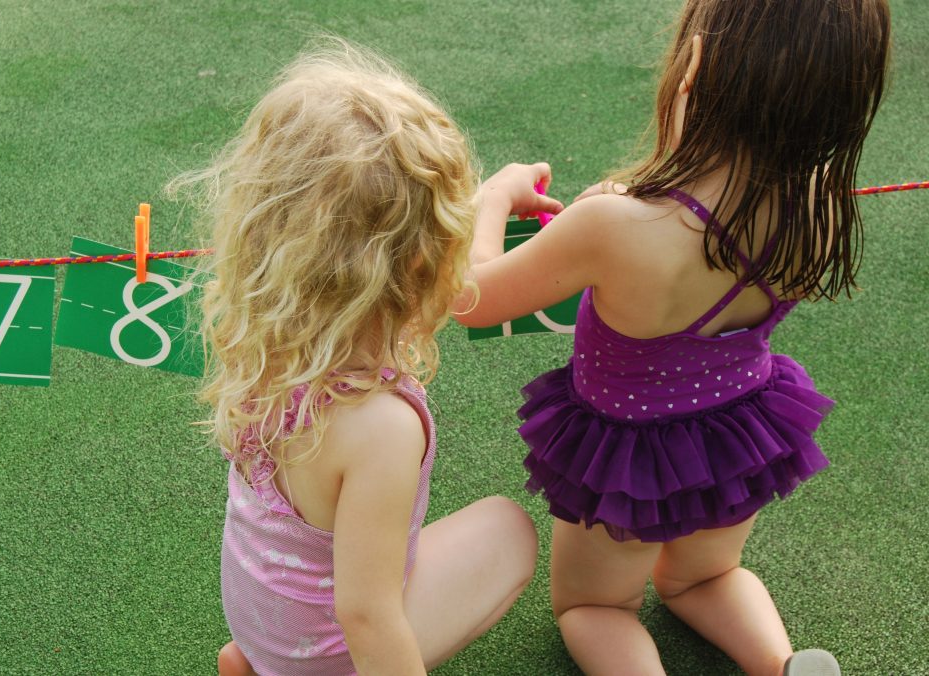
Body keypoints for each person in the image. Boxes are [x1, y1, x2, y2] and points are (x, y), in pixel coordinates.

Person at [452, 1, 891, 673]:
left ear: (692, 66)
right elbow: (710, 227)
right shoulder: (821, 208)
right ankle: (781, 664)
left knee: (593, 607)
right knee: (705, 577)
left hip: (627, 457)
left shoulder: (613, 226)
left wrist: (494, 198)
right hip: (738, 435)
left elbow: (471, 299)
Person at [172, 40, 539, 676]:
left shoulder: (271, 340)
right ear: (424, 265)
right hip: (326, 654)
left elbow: (468, 279)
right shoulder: (381, 426)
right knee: (510, 534)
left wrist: (498, 201)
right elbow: (367, 615)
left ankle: (258, 663)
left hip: (262, 626)